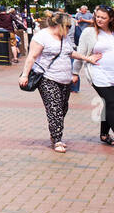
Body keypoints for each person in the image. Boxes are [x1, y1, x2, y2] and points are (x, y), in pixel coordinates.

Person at [74, 5, 114, 151]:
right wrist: (74, 73)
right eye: (97, 16)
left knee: (109, 105)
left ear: (111, 19)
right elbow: (80, 53)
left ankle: (104, 134)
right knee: (112, 103)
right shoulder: (88, 32)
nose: (99, 19)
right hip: (98, 73)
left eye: (103, 17)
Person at [18, 11, 78, 152]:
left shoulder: (65, 38)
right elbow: (31, 57)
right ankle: (57, 139)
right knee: (54, 108)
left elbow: (70, 53)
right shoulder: (42, 37)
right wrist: (25, 75)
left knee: (63, 108)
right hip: (47, 78)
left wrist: (88, 59)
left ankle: (54, 133)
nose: (70, 29)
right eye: (68, 26)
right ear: (59, 25)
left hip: (65, 79)